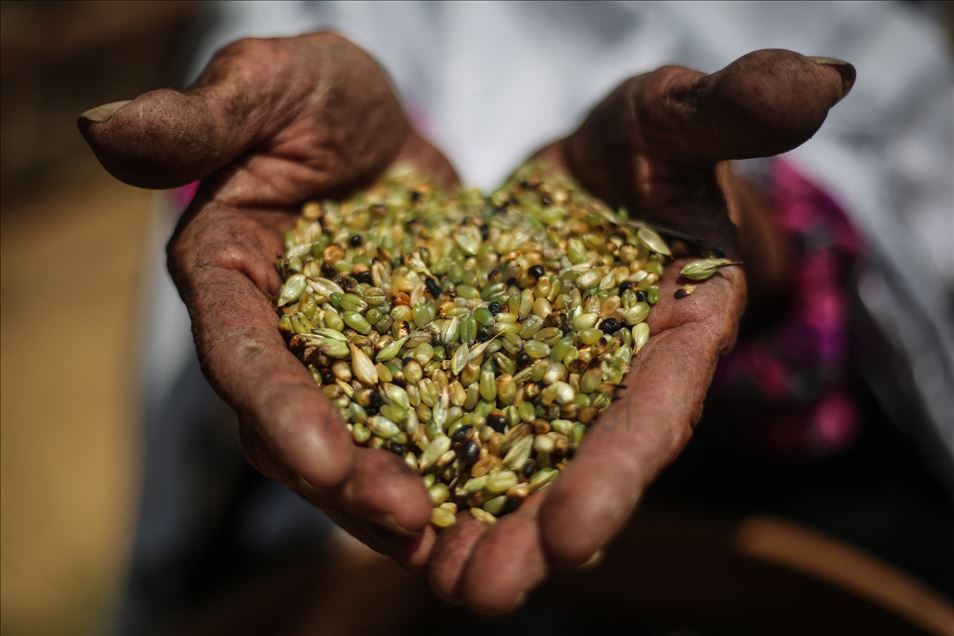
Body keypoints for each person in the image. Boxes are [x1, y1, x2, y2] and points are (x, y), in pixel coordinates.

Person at [77, 2, 953, 631]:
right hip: (317, 518)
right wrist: (260, 158)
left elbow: (908, 153)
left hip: (791, 468)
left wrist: (763, 232)